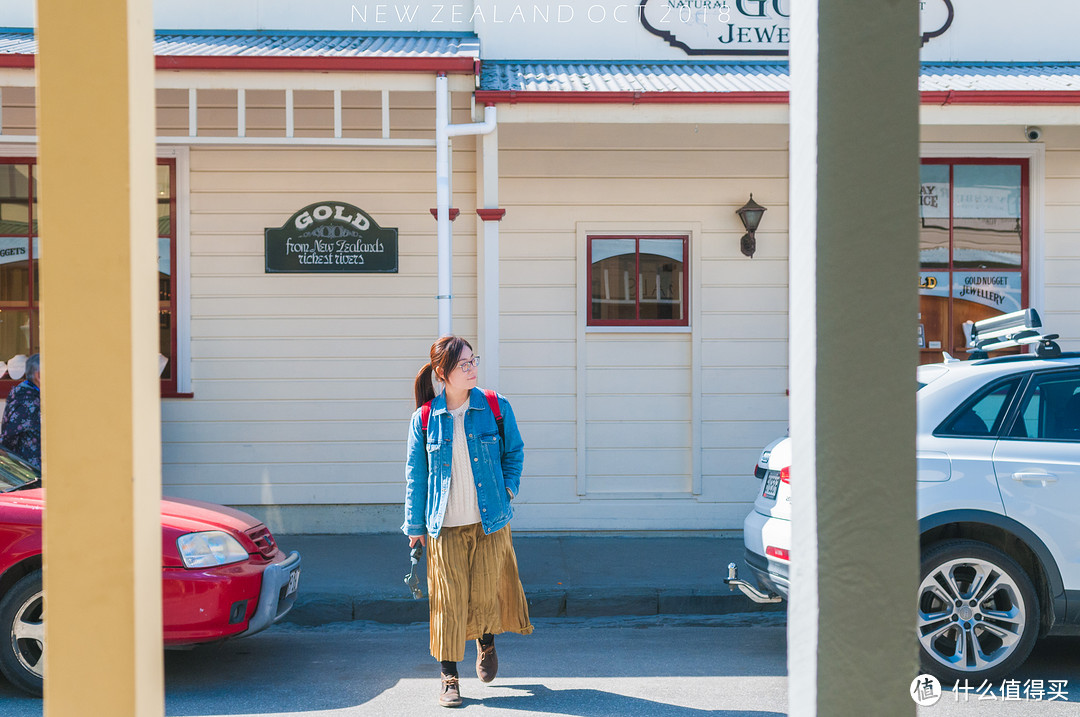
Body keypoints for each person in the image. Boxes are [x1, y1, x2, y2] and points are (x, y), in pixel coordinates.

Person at [403, 336, 532, 708]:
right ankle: (449, 677)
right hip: (443, 527)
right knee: (447, 602)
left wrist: (507, 491)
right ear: (443, 374)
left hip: (491, 522)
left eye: (474, 361)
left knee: (485, 593)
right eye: (464, 364)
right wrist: (414, 527)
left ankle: (486, 641)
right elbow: (416, 474)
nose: (473, 368)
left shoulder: (495, 406)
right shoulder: (426, 418)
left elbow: (515, 453)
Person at [2, 353, 41, 471]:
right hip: (30, 469)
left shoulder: (25, 392)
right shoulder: (27, 400)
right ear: (38, 375)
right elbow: (9, 437)